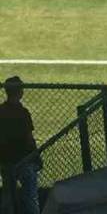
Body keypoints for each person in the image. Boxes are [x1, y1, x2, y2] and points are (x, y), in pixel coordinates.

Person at [0, 76, 38, 214]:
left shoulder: (1, 111)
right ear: (20, 92)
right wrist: (36, 155)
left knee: (8, 195)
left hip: (6, 159)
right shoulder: (23, 113)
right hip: (24, 159)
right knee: (30, 197)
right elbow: (29, 138)